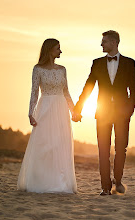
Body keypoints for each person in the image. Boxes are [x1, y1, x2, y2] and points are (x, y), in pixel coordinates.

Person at [73, 30, 135, 195]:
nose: (101, 44)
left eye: (105, 41)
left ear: (115, 43)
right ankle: (105, 187)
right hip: (102, 113)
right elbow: (88, 87)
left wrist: (128, 111)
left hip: (122, 114)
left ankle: (118, 180)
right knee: (103, 149)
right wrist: (78, 108)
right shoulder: (97, 63)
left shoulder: (129, 63)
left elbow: (134, 90)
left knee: (121, 148)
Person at [17, 38, 80, 193]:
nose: (60, 51)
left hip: (61, 109)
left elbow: (66, 92)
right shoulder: (37, 69)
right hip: (45, 108)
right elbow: (34, 92)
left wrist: (74, 111)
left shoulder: (62, 69)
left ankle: (59, 182)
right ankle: (41, 181)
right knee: (44, 144)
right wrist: (30, 113)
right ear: (50, 49)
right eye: (58, 48)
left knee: (60, 145)